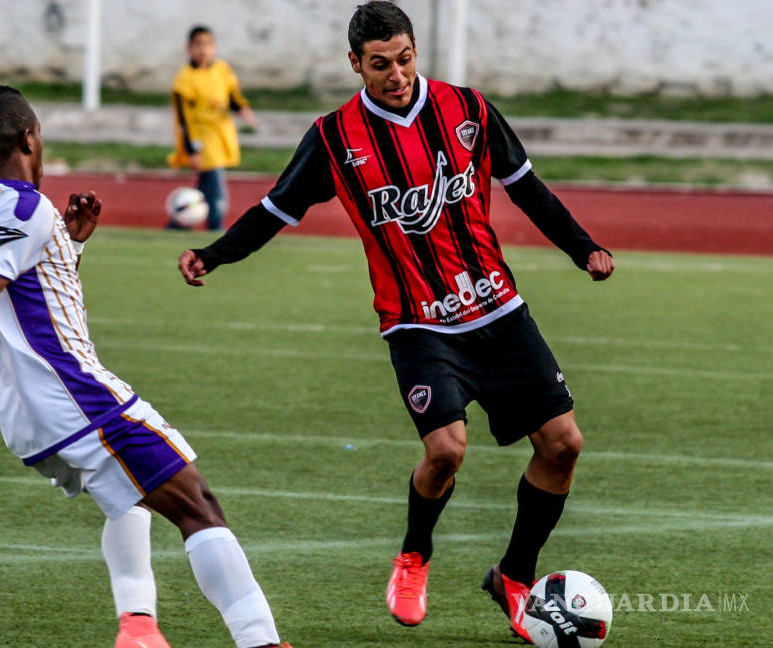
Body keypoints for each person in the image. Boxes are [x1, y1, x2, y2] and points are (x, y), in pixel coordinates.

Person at [177, 1, 615, 641]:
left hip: (497, 307)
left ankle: (514, 576)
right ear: (355, 64)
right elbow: (275, 209)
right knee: (446, 450)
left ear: (416, 53)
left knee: (564, 444)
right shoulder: (333, 138)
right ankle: (414, 555)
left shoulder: (469, 109)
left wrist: (584, 247)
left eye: (405, 59)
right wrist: (213, 255)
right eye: (380, 64)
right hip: (416, 322)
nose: (397, 75)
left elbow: (528, 188)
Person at [0, 85, 290, 648]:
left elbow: (21, 294)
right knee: (199, 506)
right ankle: (261, 642)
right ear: (28, 138)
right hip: (79, 399)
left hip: (31, 411)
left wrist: (68, 243)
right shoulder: (24, 207)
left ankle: (138, 626)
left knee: (130, 498)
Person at [168, 25, 257, 231]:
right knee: (216, 189)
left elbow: (232, 95)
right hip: (202, 138)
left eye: (207, 44)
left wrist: (242, 109)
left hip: (220, 135)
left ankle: (177, 225)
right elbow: (183, 118)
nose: (203, 49)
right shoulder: (185, 78)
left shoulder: (221, 69)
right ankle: (216, 228)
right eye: (198, 45)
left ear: (214, 47)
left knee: (204, 188)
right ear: (189, 48)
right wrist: (192, 149)